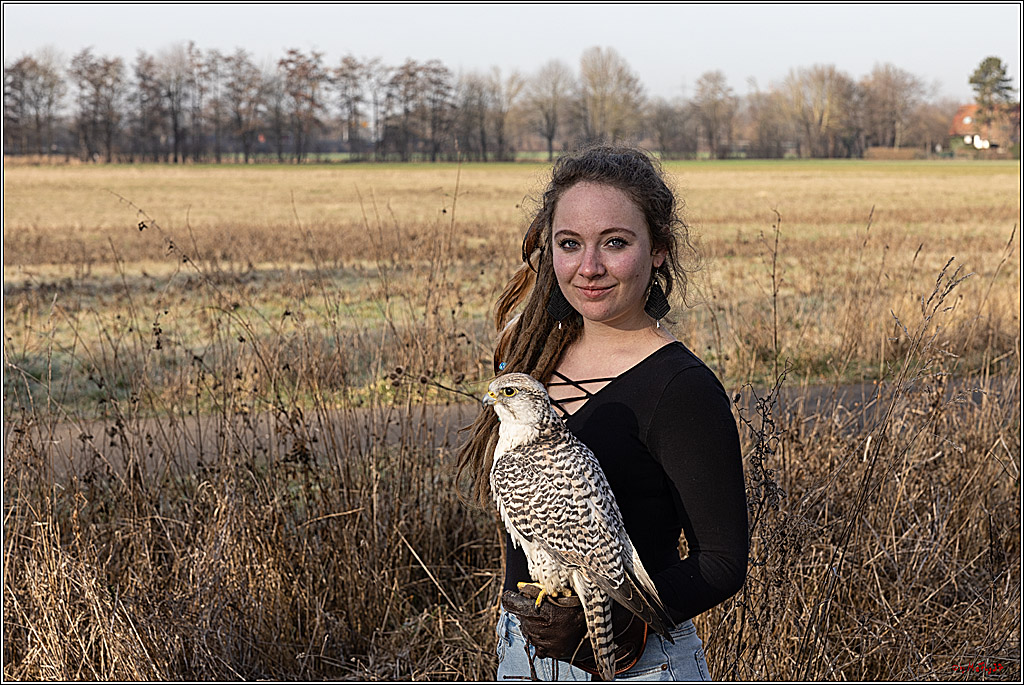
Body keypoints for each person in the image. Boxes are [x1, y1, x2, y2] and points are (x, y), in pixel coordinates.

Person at [457, 144, 748, 681]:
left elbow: (723, 562)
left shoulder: (680, 388)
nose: (589, 268)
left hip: (638, 663)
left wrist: (620, 621)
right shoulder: (528, 358)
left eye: (614, 243)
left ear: (658, 249)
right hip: (525, 657)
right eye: (570, 244)